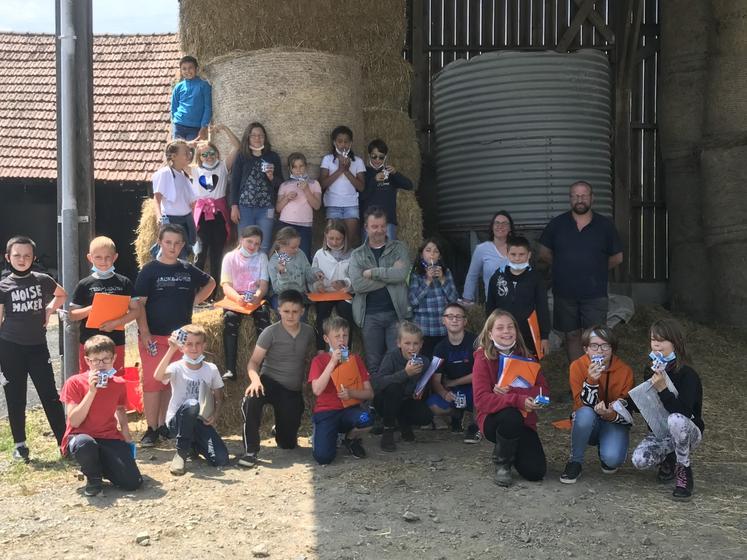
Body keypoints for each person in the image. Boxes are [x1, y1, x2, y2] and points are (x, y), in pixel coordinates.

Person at [134, 224, 215, 448]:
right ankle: (151, 429)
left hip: (181, 338)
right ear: (160, 243)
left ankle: (164, 425)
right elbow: (138, 304)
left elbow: (210, 283)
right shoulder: (149, 270)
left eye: (177, 243)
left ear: (183, 245)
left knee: (172, 382)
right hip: (154, 337)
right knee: (152, 383)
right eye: (168, 242)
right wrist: (145, 332)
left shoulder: (188, 269)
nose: (173, 247)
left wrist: (195, 300)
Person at [538, 181, 623, 362]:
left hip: (594, 293)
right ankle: (578, 382)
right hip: (565, 292)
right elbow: (544, 252)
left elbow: (617, 257)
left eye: (584, 195)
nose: (580, 199)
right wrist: (562, 265)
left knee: (596, 337)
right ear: (570, 199)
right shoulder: (557, 224)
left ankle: (595, 381)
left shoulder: (605, 226)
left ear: (592, 198)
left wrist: (596, 269)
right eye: (576, 196)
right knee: (572, 336)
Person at [0, 236, 67, 462]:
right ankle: (20, 445)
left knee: (49, 395)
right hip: (10, 347)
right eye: (17, 255)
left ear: (33, 257)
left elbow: (62, 294)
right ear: (8, 258)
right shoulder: (3, 285)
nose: (22, 259)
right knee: (15, 395)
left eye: (27, 255)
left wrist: (49, 311)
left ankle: (64, 442)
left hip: (38, 346)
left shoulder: (42, 279)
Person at [239, 289, 315, 468]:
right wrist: (255, 380)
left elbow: (314, 358)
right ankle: (250, 451)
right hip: (268, 382)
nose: (290, 315)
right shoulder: (270, 332)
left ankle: (280, 429)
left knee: (287, 444)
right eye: (286, 311)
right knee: (251, 400)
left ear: (302, 312)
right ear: (278, 310)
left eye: (295, 311)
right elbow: (253, 362)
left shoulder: (309, 332)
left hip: (291, 390)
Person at [472, 309, 548, 486]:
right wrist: (517, 400)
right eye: (500, 328)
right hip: (495, 420)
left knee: (535, 472)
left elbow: (544, 391)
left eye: (510, 327)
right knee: (511, 414)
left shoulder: (528, 356)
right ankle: (502, 463)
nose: (506, 331)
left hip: (525, 421)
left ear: (516, 330)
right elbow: (481, 400)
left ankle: (512, 450)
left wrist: (514, 393)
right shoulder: (483, 358)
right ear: (490, 334)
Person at [630, 318, 703, 500]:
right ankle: (668, 458)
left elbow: (684, 412)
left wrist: (663, 389)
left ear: (675, 342)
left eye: (662, 340)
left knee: (676, 419)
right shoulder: (652, 370)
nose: (656, 344)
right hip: (661, 431)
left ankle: (683, 470)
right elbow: (646, 402)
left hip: (688, 430)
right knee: (640, 460)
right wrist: (623, 404)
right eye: (653, 339)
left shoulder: (688, 374)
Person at [60, 335, 142, 496]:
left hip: (108, 436)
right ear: (87, 361)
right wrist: (92, 391)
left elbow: (120, 409)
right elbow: (75, 421)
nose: (101, 365)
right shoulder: (75, 382)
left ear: (114, 359)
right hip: (80, 436)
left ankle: (101, 464)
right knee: (86, 444)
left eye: (106, 360)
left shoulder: (119, 383)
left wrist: (126, 435)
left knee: (133, 483)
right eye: (96, 360)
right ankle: (93, 478)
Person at [560, 325, 633, 484]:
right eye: (594, 346)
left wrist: (610, 413)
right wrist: (592, 380)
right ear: (586, 349)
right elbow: (580, 404)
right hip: (587, 419)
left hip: (612, 420)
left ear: (612, 348)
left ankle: (605, 449)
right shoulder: (577, 367)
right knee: (585, 413)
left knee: (612, 461)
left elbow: (627, 408)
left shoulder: (625, 371)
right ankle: (575, 461)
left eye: (605, 345)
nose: (600, 351)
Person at [154, 324, 229, 476]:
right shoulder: (177, 367)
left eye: (198, 344)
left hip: (200, 421)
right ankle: (181, 453)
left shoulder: (211, 368)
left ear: (204, 345)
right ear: (182, 347)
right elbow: (158, 376)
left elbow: (219, 397)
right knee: (192, 404)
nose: (194, 348)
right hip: (178, 421)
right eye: (189, 344)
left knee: (221, 459)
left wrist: (215, 415)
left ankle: (192, 446)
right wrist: (171, 349)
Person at [348, 207, 411, 377]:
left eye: (382, 226)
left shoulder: (399, 248)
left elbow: (402, 274)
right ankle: (377, 401)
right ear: (366, 228)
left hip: (395, 313)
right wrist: (389, 275)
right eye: (374, 227)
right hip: (369, 316)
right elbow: (358, 285)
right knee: (373, 362)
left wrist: (374, 273)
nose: (379, 230)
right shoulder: (357, 255)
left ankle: (395, 401)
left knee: (396, 360)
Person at [68, 236, 139, 373]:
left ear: (115, 257)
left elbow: (136, 310)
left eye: (108, 257)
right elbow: (72, 315)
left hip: (115, 343)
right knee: (90, 382)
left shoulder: (124, 282)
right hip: (90, 344)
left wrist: (117, 322)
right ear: (90, 258)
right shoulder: (84, 284)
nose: (103, 261)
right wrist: (92, 309)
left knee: (115, 381)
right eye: (98, 257)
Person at [308, 317, 374, 464]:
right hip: (326, 411)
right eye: (337, 336)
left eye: (345, 336)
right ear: (326, 338)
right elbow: (317, 390)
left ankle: (350, 439)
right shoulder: (319, 361)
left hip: (349, 409)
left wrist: (351, 393)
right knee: (323, 458)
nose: (341, 340)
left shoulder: (355, 359)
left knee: (367, 419)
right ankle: (323, 433)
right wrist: (332, 362)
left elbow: (369, 393)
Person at [371, 321, 433, 452]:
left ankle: (404, 422)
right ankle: (388, 430)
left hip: (406, 400)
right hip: (385, 401)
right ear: (399, 343)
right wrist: (405, 373)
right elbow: (378, 384)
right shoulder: (391, 357)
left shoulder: (425, 362)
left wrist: (421, 390)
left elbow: (423, 384)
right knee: (394, 388)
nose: (412, 348)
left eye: (415, 344)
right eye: (407, 343)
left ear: (421, 345)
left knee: (426, 416)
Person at [485, 235, 550, 358]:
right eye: (513, 254)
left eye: (521, 254)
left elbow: (542, 307)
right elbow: (490, 306)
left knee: (528, 367)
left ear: (529, 255)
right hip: (503, 333)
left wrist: (544, 336)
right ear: (507, 254)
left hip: (528, 334)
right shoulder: (498, 276)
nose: (517, 258)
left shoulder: (536, 278)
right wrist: (489, 331)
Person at [191, 125, 240, 289]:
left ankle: (212, 293)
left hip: (219, 214)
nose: (209, 157)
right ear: (200, 157)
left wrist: (225, 129)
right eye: (204, 154)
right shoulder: (195, 171)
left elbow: (238, 147)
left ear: (217, 154)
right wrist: (193, 144)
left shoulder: (222, 167)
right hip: (202, 216)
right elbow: (173, 151)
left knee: (217, 253)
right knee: (200, 252)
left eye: (212, 153)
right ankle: (197, 291)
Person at [220, 226, 271, 381]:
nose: (253, 246)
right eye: (249, 241)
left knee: (263, 317)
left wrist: (257, 296)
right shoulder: (229, 257)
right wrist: (237, 298)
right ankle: (230, 368)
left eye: (257, 244)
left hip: (254, 298)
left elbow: (263, 285)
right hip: (236, 297)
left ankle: (264, 367)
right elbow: (226, 285)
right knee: (230, 318)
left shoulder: (262, 257)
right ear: (241, 240)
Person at [426, 302, 480, 443]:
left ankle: (474, 427)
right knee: (433, 405)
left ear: (465, 321)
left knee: (481, 391)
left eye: (458, 317)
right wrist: (445, 393)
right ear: (443, 321)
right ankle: (457, 414)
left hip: (474, 386)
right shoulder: (440, 348)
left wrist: (453, 382)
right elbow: (436, 380)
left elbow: (481, 374)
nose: (454, 320)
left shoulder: (476, 342)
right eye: (450, 316)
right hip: (454, 390)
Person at [230, 122, 284, 253]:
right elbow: (234, 182)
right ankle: (244, 273)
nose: (257, 138)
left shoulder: (272, 156)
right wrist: (234, 205)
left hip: (266, 208)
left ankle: (262, 273)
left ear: (265, 137)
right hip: (245, 208)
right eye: (253, 135)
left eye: (260, 135)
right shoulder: (242, 156)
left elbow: (281, 183)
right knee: (244, 244)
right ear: (248, 137)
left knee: (264, 245)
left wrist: (271, 177)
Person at [408, 237, 459, 357]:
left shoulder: (446, 272)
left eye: (436, 251)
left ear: (439, 256)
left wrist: (442, 280)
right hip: (423, 328)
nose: (432, 254)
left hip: (443, 328)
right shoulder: (416, 273)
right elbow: (413, 301)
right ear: (421, 254)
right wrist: (427, 280)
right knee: (426, 362)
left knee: (441, 362)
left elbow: (454, 299)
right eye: (428, 250)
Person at [311, 220, 355, 352]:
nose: (335, 242)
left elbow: (355, 276)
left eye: (338, 239)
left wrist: (345, 282)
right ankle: (320, 350)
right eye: (331, 238)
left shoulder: (352, 254)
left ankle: (345, 351)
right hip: (326, 293)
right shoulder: (320, 254)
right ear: (325, 236)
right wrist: (317, 284)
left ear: (344, 238)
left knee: (347, 313)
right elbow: (312, 274)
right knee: (322, 315)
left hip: (343, 293)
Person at [319, 126, 365, 247]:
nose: (343, 145)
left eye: (346, 141)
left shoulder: (358, 161)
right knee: (331, 243)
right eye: (340, 141)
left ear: (351, 143)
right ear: (334, 142)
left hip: (351, 205)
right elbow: (322, 184)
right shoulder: (328, 160)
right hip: (333, 204)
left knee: (347, 243)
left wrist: (347, 171)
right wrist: (340, 170)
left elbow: (361, 187)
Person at [359, 139, 413, 241]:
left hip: (388, 221)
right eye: (374, 156)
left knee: (389, 253)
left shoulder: (390, 174)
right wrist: (374, 181)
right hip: (369, 222)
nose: (377, 160)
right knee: (366, 255)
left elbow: (409, 185)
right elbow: (362, 196)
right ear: (369, 155)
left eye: (381, 157)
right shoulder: (364, 173)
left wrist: (396, 173)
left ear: (385, 157)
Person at [152, 139, 196, 260]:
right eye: (185, 153)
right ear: (174, 156)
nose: (189, 155)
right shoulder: (165, 173)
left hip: (186, 220)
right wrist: (159, 217)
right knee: (170, 254)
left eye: (189, 152)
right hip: (172, 220)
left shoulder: (184, 174)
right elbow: (157, 198)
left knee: (183, 255)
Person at [276, 152, 322, 260]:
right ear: (290, 169)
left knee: (303, 255)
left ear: (306, 166)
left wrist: (306, 190)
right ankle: (283, 276)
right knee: (284, 255)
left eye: (301, 166)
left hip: (304, 225)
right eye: (295, 167)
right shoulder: (285, 185)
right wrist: (287, 198)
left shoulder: (314, 184)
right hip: (286, 223)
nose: (298, 170)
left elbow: (317, 206)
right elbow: (278, 208)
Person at [461, 211, 514, 304]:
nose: (500, 226)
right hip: (493, 304)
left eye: (504, 223)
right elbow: (472, 276)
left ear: (510, 228)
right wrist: (466, 300)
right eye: (497, 223)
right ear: (492, 227)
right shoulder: (482, 249)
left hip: (516, 303)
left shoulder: (517, 248)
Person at [268, 226, 316, 308]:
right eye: (293, 247)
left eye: (298, 246)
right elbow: (278, 290)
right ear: (281, 245)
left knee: (300, 314)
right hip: (282, 296)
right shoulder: (274, 262)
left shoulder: (300, 253)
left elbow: (308, 271)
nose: (297, 249)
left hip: (300, 294)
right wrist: (282, 274)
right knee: (288, 311)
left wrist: (316, 274)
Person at [170, 55, 212, 141]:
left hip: (195, 128)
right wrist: (175, 121)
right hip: (179, 126)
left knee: (191, 153)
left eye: (190, 68)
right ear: (181, 71)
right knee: (178, 152)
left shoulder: (204, 85)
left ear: (196, 68)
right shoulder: (178, 87)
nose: (187, 71)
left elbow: (208, 107)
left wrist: (204, 126)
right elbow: (174, 107)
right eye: (184, 69)